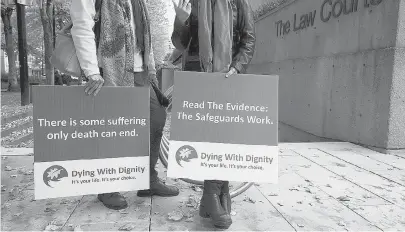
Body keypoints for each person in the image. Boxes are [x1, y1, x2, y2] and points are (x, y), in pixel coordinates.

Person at [70, 0, 179, 211]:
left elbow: (142, 35)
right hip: (110, 69)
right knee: (113, 130)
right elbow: (82, 24)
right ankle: (107, 187)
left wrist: (151, 68)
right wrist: (91, 70)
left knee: (156, 119)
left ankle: (147, 179)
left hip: (141, 71)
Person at [171, 0, 256, 229]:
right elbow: (178, 43)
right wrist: (181, 19)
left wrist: (237, 66)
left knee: (222, 136)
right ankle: (217, 195)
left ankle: (211, 195)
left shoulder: (239, 3)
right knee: (207, 137)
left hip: (228, 77)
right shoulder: (193, 2)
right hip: (197, 76)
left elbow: (248, 39)